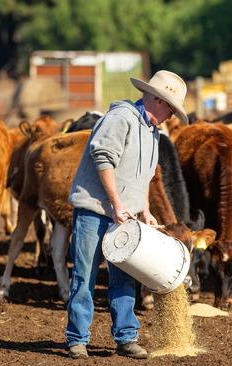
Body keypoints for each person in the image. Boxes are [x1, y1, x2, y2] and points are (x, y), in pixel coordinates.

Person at [65, 70, 189, 359]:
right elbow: (103, 157)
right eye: (171, 108)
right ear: (158, 100)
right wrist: (117, 203)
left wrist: (144, 209)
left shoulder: (153, 132)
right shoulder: (121, 118)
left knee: (125, 277)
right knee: (84, 275)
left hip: (127, 215)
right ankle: (77, 339)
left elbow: (143, 176)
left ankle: (126, 337)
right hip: (95, 210)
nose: (172, 115)